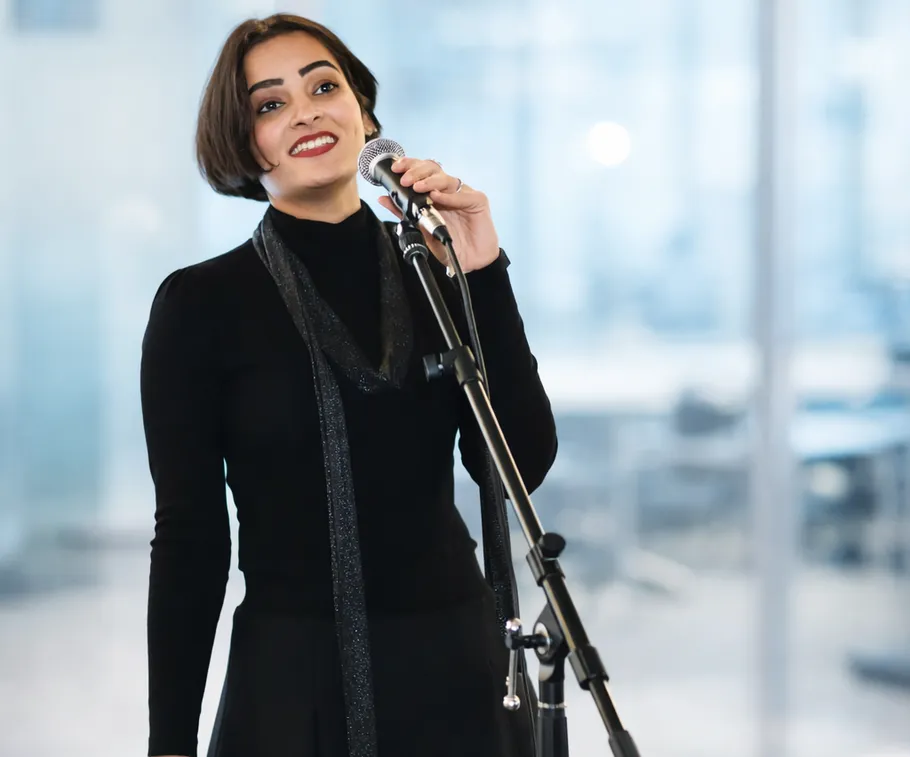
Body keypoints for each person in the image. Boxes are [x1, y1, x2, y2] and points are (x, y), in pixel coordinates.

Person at [140, 13, 557, 757]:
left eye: (323, 86)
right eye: (269, 105)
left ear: (363, 112)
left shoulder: (434, 274)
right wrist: (169, 741)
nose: (304, 110)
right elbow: (191, 541)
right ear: (243, 144)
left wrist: (483, 270)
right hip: (294, 682)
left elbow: (516, 465)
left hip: (457, 668)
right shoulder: (200, 306)